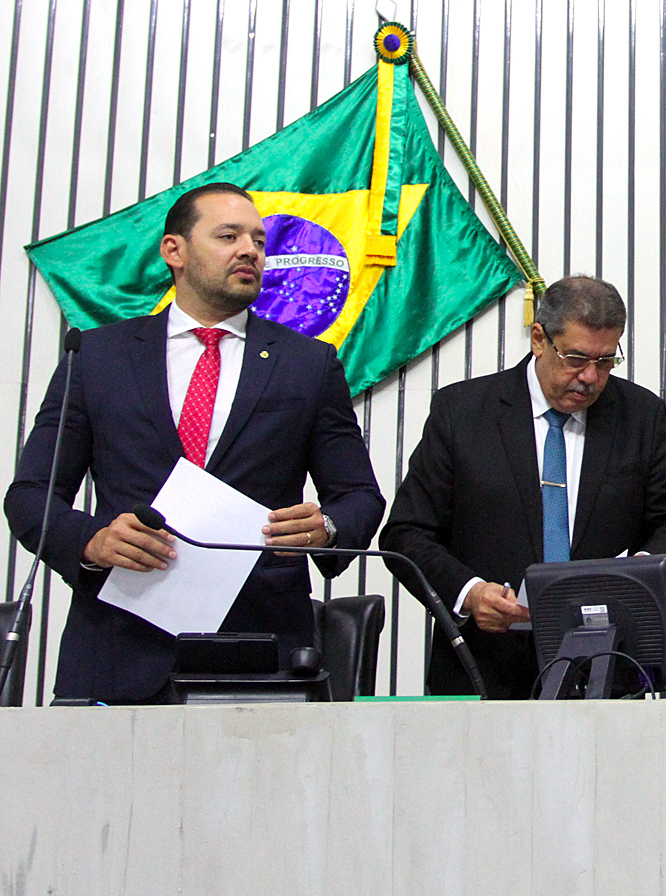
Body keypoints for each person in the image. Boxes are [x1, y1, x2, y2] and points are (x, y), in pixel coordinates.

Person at [2, 183, 385, 703]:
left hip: (259, 650)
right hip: (117, 644)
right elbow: (29, 495)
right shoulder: (96, 356)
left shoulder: (308, 364)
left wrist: (329, 526)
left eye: (258, 240)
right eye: (228, 235)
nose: (249, 249)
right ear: (174, 251)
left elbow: (360, 496)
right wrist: (90, 543)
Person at [381, 275, 666, 698]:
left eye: (605, 362)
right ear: (538, 339)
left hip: (609, 667)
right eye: (576, 358)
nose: (590, 377)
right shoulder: (462, 412)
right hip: (486, 669)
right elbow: (406, 535)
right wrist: (470, 594)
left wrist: (634, 578)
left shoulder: (639, 415)